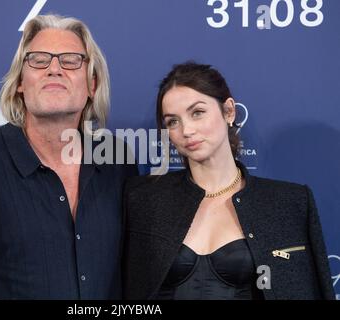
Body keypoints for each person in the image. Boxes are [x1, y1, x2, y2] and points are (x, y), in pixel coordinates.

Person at [0, 14, 137, 299]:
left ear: (92, 85)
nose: (54, 69)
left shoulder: (117, 160)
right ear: (21, 82)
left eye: (71, 60)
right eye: (39, 60)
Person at [122, 61, 335, 300]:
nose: (187, 130)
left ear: (229, 111)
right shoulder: (142, 198)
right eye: (173, 121)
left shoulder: (290, 203)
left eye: (197, 113)